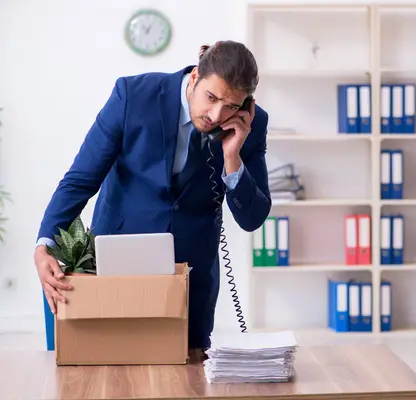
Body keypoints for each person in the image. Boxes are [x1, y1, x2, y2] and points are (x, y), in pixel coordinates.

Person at [33, 40, 272, 350]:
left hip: (191, 278)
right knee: (110, 374)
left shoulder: (252, 124)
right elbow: (81, 178)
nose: (216, 115)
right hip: (117, 264)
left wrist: (232, 157)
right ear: (196, 77)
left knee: (185, 384)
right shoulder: (133, 96)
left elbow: (253, 218)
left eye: (231, 105)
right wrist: (45, 243)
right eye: (211, 98)